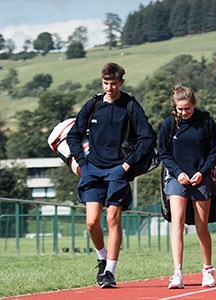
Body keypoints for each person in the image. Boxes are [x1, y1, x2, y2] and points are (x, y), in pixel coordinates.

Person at [66, 63, 155, 288]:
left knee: (112, 218)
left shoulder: (131, 106)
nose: (109, 87)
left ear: (121, 82)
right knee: (91, 222)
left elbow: (147, 138)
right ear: (102, 81)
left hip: (118, 170)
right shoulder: (93, 105)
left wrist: (127, 165)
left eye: (113, 83)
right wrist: (83, 164)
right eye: (106, 83)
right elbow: (73, 136)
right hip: (92, 169)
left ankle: (110, 272)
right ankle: (102, 257)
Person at [157, 84, 216, 289]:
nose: (184, 112)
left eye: (188, 108)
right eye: (180, 109)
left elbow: (215, 151)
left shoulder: (206, 122)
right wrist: (178, 173)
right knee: (177, 222)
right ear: (174, 106)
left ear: (194, 104)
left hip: (201, 177)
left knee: (202, 227)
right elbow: (163, 152)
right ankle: (177, 273)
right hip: (177, 177)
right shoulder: (169, 124)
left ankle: (208, 269)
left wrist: (201, 172)